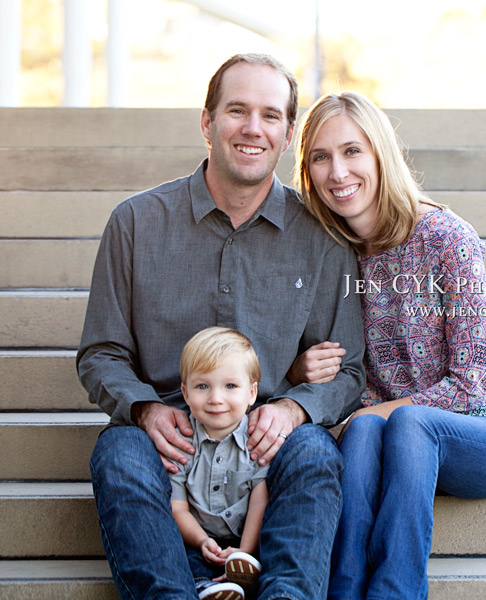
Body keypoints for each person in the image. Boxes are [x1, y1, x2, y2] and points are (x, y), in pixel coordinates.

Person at [78, 54, 366, 600]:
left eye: (271, 116)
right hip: (170, 446)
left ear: (286, 138)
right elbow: (101, 353)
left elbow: (348, 369)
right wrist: (144, 407)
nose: (253, 128)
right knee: (119, 452)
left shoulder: (323, 238)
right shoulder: (136, 224)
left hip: (265, 442)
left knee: (315, 453)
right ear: (207, 123)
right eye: (237, 110)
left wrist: (294, 407)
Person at [291, 91, 486, 600]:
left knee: (396, 422)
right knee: (366, 433)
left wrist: (375, 414)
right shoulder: (335, 255)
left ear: (381, 153)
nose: (338, 172)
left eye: (352, 151)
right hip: (394, 438)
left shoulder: (447, 237)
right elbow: (342, 376)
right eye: (321, 156)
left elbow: (470, 384)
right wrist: (299, 369)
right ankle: (343, 591)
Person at [171, 327, 270, 600]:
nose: (216, 398)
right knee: (180, 552)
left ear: (251, 393)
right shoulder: (180, 443)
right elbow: (177, 508)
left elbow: (259, 502)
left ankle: (246, 574)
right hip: (196, 536)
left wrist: (245, 550)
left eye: (230, 386)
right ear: (185, 392)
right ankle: (206, 586)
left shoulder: (257, 440)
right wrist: (202, 541)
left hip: (245, 535)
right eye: (202, 386)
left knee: (269, 537)